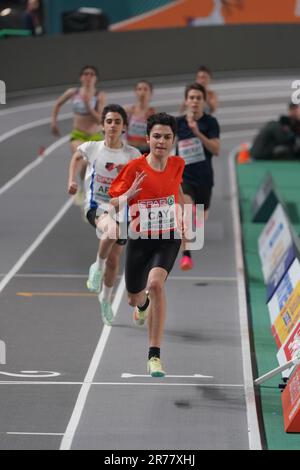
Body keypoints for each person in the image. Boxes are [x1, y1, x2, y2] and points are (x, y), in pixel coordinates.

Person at [108, 112, 185, 377]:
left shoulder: (178, 164)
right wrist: (128, 195)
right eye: (156, 136)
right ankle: (142, 306)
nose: (161, 141)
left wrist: (186, 220)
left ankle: (154, 355)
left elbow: (178, 191)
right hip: (140, 240)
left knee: (155, 285)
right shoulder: (135, 168)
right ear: (148, 138)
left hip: (167, 238)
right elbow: (113, 202)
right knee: (135, 297)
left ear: (173, 140)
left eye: (166, 137)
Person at [68, 104, 140, 326]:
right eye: (109, 121)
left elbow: (141, 181)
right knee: (111, 230)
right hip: (96, 206)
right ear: (102, 125)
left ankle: (105, 301)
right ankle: (95, 268)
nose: (112, 126)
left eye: (117, 122)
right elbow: (75, 159)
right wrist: (72, 180)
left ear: (124, 127)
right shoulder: (92, 148)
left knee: (115, 260)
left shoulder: (132, 154)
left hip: (122, 211)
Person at [177, 83, 220, 271]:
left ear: (203, 101)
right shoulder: (178, 123)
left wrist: (197, 133)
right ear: (186, 101)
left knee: (200, 220)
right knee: (184, 212)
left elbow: (216, 149)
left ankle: (196, 215)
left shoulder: (210, 123)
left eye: (198, 98)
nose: (194, 101)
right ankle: (186, 255)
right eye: (191, 98)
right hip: (184, 178)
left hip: (204, 179)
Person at [52, 65, 105, 206]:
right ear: (81, 77)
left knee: (89, 164)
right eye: (85, 74)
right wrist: (54, 123)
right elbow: (57, 104)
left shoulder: (99, 95)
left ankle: (84, 184)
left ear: (96, 79)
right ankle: (75, 184)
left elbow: (100, 119)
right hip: (78, 134)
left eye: (91, 74)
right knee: (80, 155)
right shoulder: (73, 92)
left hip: (95, 136)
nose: (88, 76)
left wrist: (88, 106)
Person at [126, 80, 156, 153]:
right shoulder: (128, 111)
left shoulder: (154, 114)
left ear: (151, 93)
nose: (142, 92)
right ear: (135, 92)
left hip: (146, 151)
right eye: (139, 89)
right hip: (130, 150)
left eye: (145, 89)